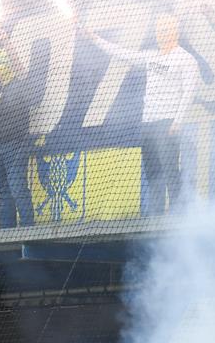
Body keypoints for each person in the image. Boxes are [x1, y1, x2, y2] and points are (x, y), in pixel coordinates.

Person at [81, 14, 201, 215]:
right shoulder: (152, 57)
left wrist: (177, 121)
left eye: (165, 29)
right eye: (158, 29)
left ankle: (179, 215)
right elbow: (122, 54)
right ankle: (156, 214)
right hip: (148, 124)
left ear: (176, 31)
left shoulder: (185, 59)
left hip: (167, 123)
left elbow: (189, 92)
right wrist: (94, 38)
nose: (160, 33)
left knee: (171, 169)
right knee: (153, 171)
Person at [0, 31, 36, 228]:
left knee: (17, 187)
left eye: (1, 63)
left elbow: (18, 65)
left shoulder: (20, 82)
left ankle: (29, 229)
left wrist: (5, 40)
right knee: (2, 192)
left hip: (16, 144)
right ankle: (8, 232)